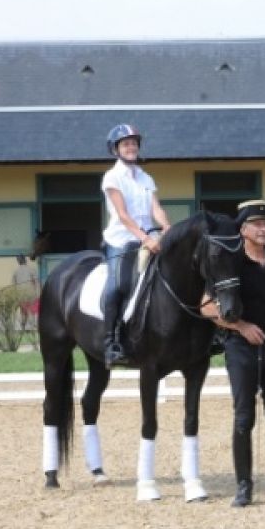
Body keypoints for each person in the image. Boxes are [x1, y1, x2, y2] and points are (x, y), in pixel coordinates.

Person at [203, 200, 265, 507]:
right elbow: (206, 306)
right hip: (242, 350)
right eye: (257, 224)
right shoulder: (229, 261)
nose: (264, 229)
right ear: (243, 229)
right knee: (244, 418)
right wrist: (241, 326)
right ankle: (244, 487)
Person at [101, 124, 170, 368]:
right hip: (122, 240)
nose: (131, 147)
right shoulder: (112, 177)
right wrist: (146, 238)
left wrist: (167, 229)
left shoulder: (145, 177)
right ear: (116, 149)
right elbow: (123, 215)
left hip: (150, 237)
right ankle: (111, 344)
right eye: (125, 144)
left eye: (133, 143)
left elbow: (155, 209)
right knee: (118, 285)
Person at [11, 254, 39, 322]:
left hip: (21, 295)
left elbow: (13, 285)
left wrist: (15, 296)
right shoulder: (32, 270)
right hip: (31, 294)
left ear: (18, 261)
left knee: (23, 312)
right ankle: (31, 327)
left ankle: (24, 326)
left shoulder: (15, 272)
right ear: (25, 260)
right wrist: (37, 294)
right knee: (31, 311)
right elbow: (36, 283)